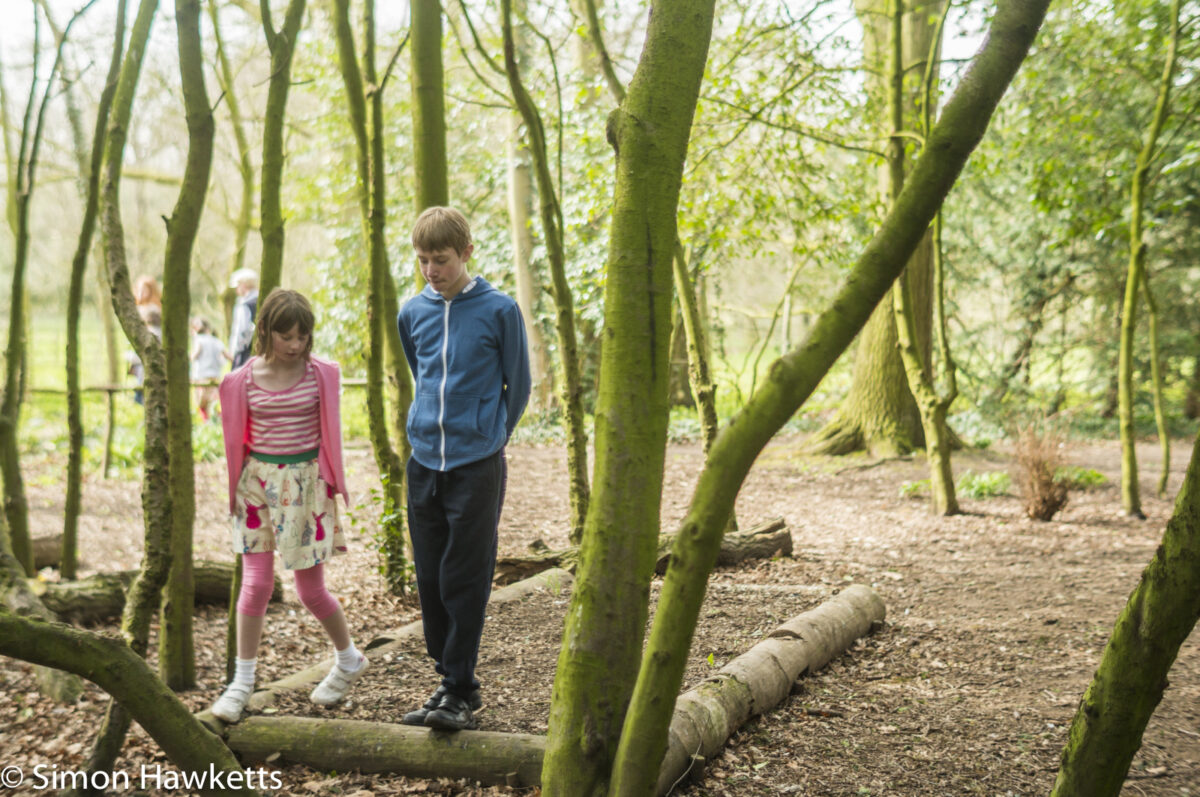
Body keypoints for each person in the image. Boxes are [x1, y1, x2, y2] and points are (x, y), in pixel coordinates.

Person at [396, 206, 531, 731]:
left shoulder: (499, 311)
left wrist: (489, 436)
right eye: (424, 260)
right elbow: (420, 371)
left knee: (463, 575)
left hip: (477, 465)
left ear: (467, 252)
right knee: (429, 575)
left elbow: (515, 387)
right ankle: (454, 681)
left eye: (442, 259)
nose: (432, 269)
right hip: (424, 460)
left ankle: (456, 687)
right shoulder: (413, 313)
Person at [209, 288, 368, 724]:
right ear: (265, 332)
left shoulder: (321, 375)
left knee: (309, 590)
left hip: (304, 485)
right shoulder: (241, 380)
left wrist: (332, 483)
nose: (296, 345)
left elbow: (329, 432)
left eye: (303, 336)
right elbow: (235, 437)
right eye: (287, 337)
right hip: (257, 485)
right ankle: (241, 683)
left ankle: (349, 657)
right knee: (256, 584)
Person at [190, 318, 226, 421]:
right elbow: (226, 355)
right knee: (213, 397)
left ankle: (206, 418)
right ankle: (215, 417)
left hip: (201, 374)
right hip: (215, 373)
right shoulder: (216, 340)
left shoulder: (199, 340)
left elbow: (195, 354)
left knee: (202, 399)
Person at [126, 306, 162, 406]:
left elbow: (141, 353)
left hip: (145, 368)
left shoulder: (147, 332)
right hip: (160, 368)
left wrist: (129, 357)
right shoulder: (163, 333)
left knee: (144, 394)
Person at [228, 268, 259, 370]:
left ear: (243, 285)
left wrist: (235, 352)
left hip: (245, 354)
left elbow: (242, 331)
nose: (236, 290)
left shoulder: (245, 305)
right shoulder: (260, 300)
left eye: (237, 286)